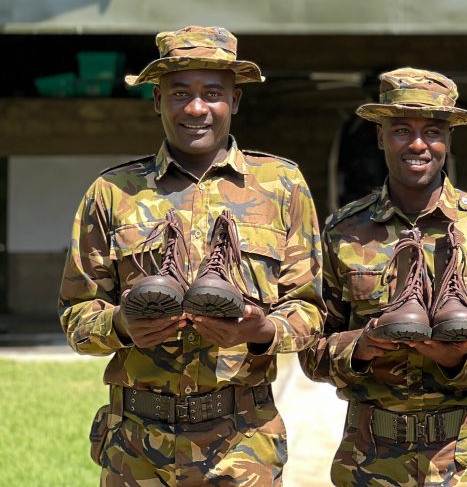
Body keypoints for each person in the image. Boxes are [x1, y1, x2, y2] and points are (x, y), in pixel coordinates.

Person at [58, 26, 324, 485]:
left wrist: (262, 330)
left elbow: (311, 311)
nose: (196, 108)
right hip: (137, 445)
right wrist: (122, 325)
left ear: (235, 101)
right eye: (179, 92)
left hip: (243, 443)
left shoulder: (282, 187)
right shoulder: (113, 193)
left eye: (212, 93)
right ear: (157, 100)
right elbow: (76, 317)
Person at [299, 68, 467, 487]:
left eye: (432, 131)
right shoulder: (344, 230)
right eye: (401, 130)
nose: (417, 144)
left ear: (449, 138)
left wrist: (461, 361)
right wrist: (361, 347)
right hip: (368, 457)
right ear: (379, 137)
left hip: (466, 459)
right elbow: (311, 349)